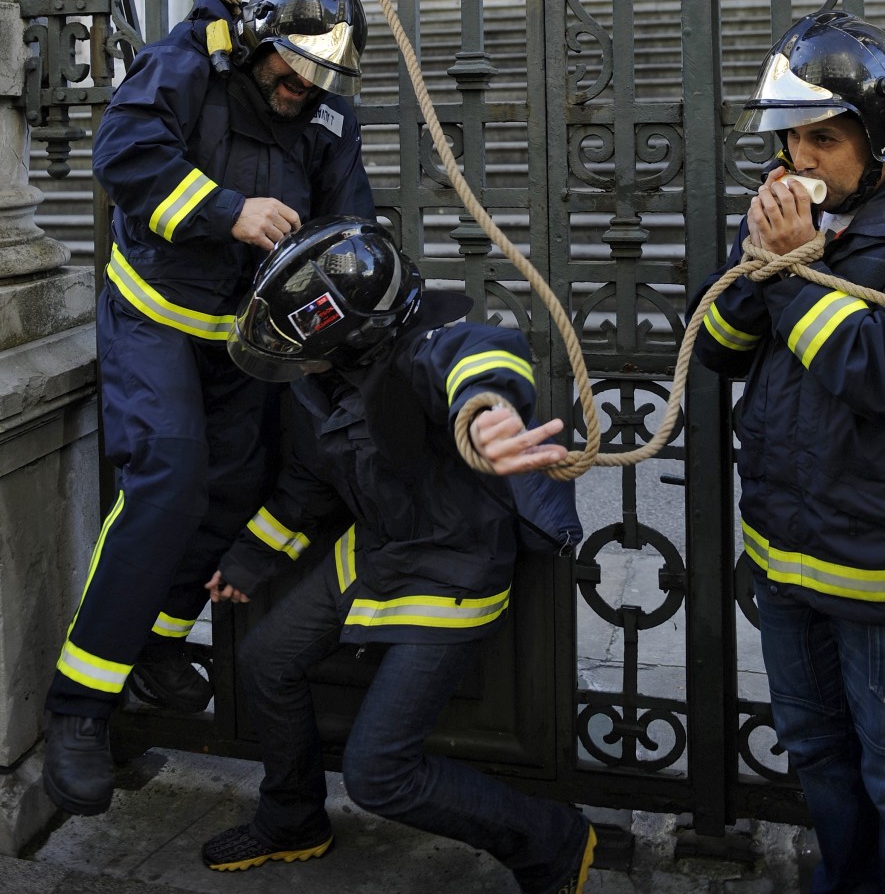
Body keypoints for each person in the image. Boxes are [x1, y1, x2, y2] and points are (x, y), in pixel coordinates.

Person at [43, 0, 376, 818]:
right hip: (156, 314)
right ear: (262, 45)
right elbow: (121, 152)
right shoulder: (188, 63)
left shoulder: (328, 114)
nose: (304, 90)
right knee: (167, 481)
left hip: (248, 339)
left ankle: (155, 647)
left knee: (231, 491)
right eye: (293, 73)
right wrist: (229, 209)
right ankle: (79, 707)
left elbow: (350, 229)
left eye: (321, 79)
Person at [197, 215, 596, 893]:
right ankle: (294, 819)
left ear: (348, 334)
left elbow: (480, 353)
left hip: (452, 572)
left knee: (379, 774)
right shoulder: (323, 382)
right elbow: (307, 487)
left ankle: (553, 840)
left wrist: (487, 410)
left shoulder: (421, 351)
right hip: (377, 552)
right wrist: (246, 563)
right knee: (265, 660)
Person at [689, 10, 885, 893]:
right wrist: (762, 264)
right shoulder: (792, 209)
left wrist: (793, 272)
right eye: (792, 137)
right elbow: (718, 352)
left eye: (824, 138)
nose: (800, 159)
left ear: (880, 137)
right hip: (784, 553)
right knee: (820, 761)